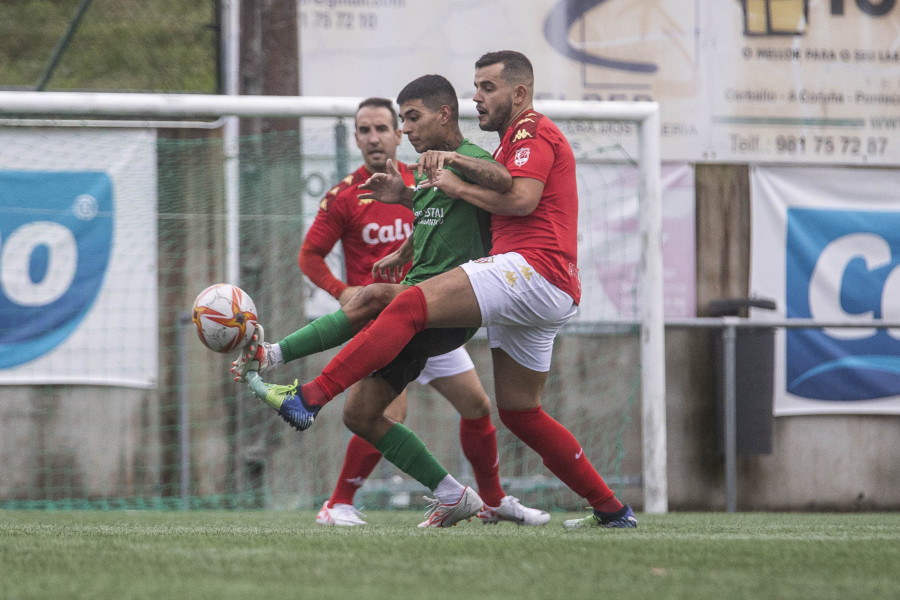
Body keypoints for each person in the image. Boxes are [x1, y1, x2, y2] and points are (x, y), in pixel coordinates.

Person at [243, 51, 637, 529]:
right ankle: (610, 510)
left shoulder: (532, 129)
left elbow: (521, 196)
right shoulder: (502, 146)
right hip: (540, 291)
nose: (477, 96)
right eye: (475, 86)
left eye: (487, 87)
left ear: (518, 92)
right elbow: (482, 204)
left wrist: (451, 176)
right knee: (517, 412)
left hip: (532, 271)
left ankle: (306, 395)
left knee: (398, 302)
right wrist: (416, 202)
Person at [293, 96, 549, 527]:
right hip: (384, 321)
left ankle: (493, 500)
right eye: (364, 130)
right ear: (355, 138)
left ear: (399, 134)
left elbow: (450, 221)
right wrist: (343, 293)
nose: (374, 137)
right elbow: (310, 256)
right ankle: (338, 503)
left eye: (383, 128)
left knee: (477, 405)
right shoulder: (345, 195)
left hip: (435, 312)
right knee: (386, 413)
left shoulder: (431, 179)